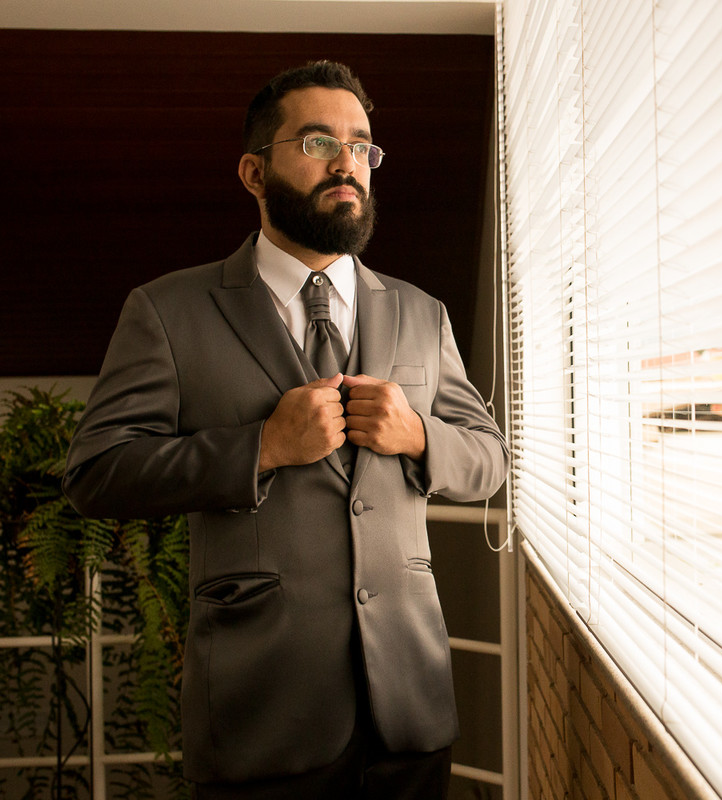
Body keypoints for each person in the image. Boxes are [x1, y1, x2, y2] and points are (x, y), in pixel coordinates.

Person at [62, 61, 508, 799]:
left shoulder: (421, 312)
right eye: (317, 142)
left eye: (361, 145)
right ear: (253, 172)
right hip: (259, 713)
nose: (346, 163)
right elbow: (95, 473)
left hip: (409, 708)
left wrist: (419, 436)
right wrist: (262, 448)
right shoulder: (168, 311)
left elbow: (489, 458)